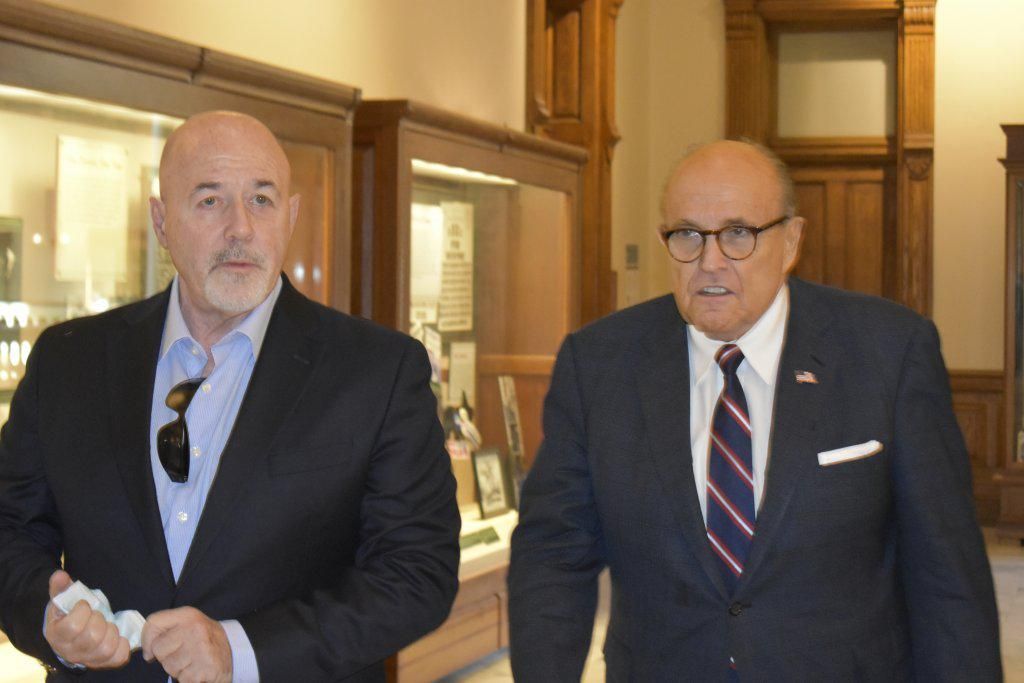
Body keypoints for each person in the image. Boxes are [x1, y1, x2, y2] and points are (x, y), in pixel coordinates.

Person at [508, 139, 1001, 681]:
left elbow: (947, 573)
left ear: (791, 241)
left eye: (739, 233)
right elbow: (554, 556)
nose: (709, 261)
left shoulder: (889, 351)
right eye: (687, 235)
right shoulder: (599, 364)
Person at [0, 111, 460, 682]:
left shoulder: (377, 371)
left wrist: (239, 651)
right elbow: (10, 530)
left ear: (290, 216)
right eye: (210, 200)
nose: (241, 227)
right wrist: (48, 616)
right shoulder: (69, 361)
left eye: (262, 200)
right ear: (162, 222)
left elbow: (417, 572)